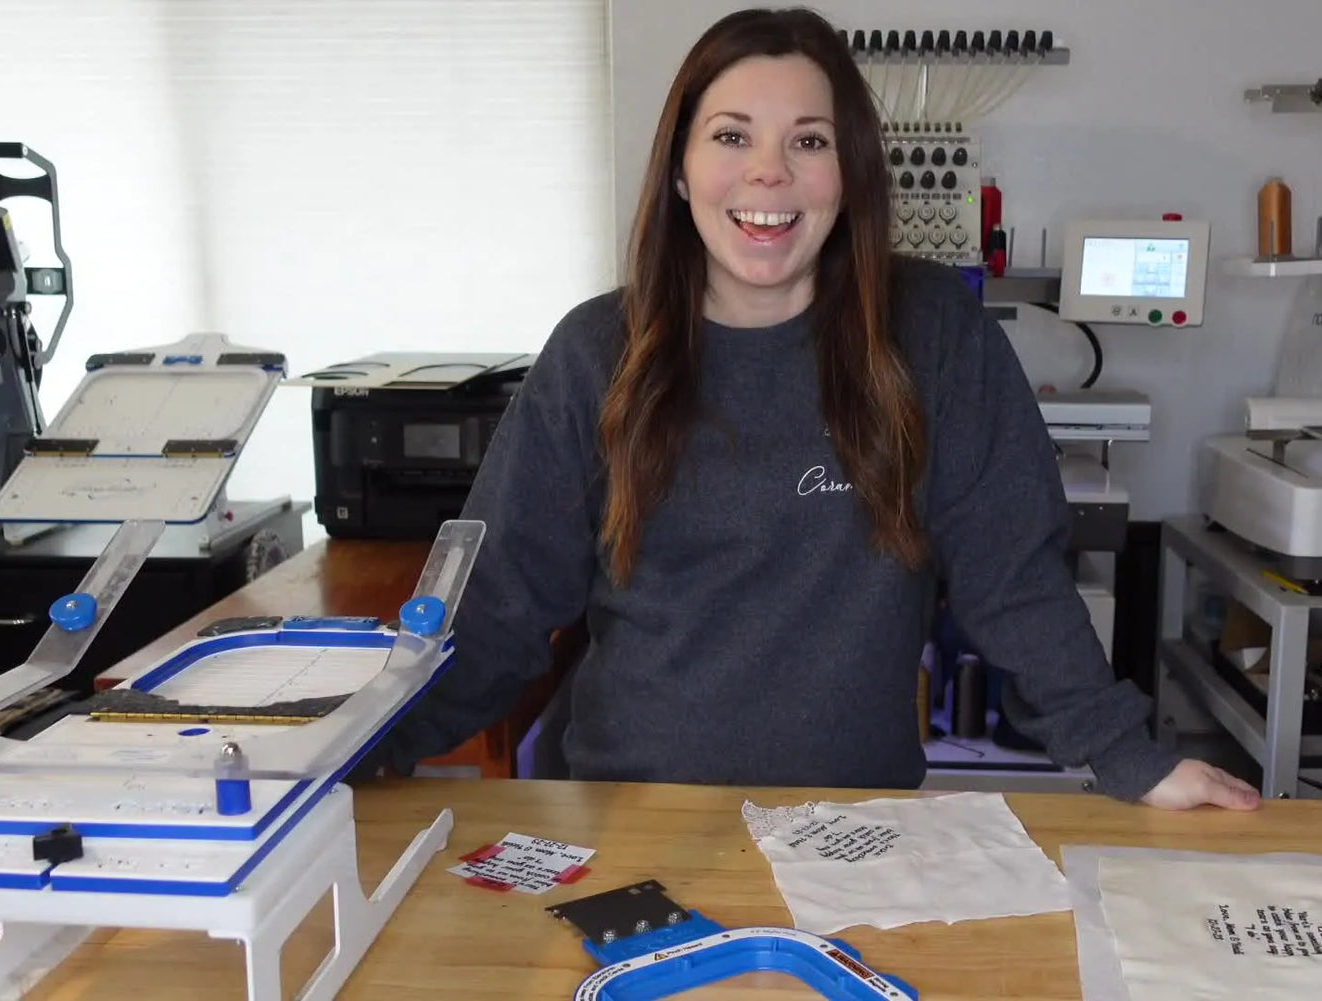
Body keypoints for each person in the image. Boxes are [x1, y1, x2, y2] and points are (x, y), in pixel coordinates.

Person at [365, 6, 1259, 811]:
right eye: (731, 136)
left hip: (856, 826)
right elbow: (500, 603)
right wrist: (371, 744)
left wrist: (1127, 756)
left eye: (808, 141)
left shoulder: (931, 331)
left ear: (850, 171)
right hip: (631, 818)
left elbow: (1014, 577)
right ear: (679, 171)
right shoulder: (598, 352)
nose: (768, 174)